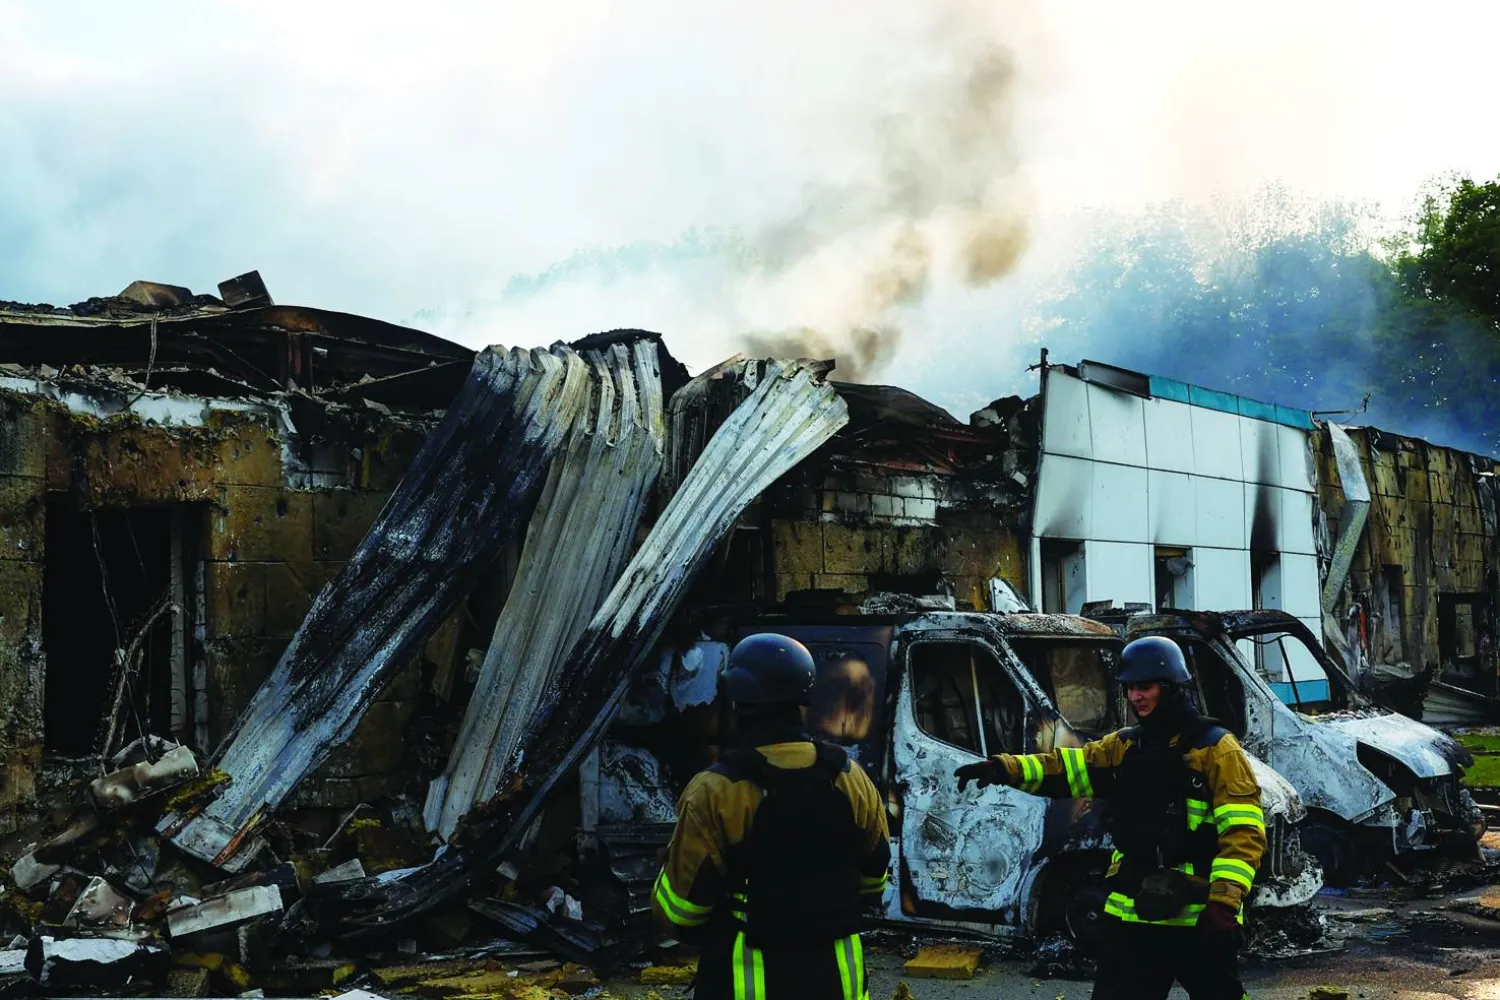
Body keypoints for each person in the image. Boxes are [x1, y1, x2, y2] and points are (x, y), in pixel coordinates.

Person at [954, 635, 1264, 1000]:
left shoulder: (1216, 750)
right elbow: (1067, 767)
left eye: (1144, 687)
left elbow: (1244, 832)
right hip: (1132, 914)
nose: (1136, 697)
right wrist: (1005, 769)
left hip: (1198, 916)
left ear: (1171, 687)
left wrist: (1224, 903)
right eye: (1130, 689)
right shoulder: (1124, 746)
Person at [652, 633, 891, 1000]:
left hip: (748, 982)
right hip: (839, 981)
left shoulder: (716, 790)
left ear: (738, 702)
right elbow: (874, 881)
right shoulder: (849, 776)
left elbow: (684, 913)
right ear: (803, 701)